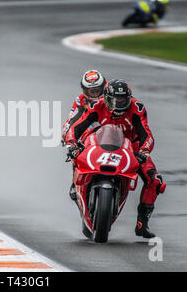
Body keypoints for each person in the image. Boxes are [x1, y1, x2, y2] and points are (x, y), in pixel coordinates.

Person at [65, 79, 166, 238]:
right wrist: (71, 144)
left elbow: (146, 134)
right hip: (100, 142)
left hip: (131, 147)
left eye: (122, 100)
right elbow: (76, 127)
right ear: (106, 98)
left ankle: (142, 224)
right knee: (77, 150)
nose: (118, 104)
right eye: (114, 100)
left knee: (156, 181)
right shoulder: (96, 106)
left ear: (129, 98)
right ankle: (75, 184)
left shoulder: (137, 108)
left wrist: (144, 151)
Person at [62, 70, 107, 201]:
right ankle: (75, 179)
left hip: (111, 126)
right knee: (76, 144)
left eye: (97, 90)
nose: (94, 94)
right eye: (90, 91)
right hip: (91, 126)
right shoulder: (81, 100)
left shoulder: (112, 94)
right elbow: (72, 119)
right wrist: (66, 135)